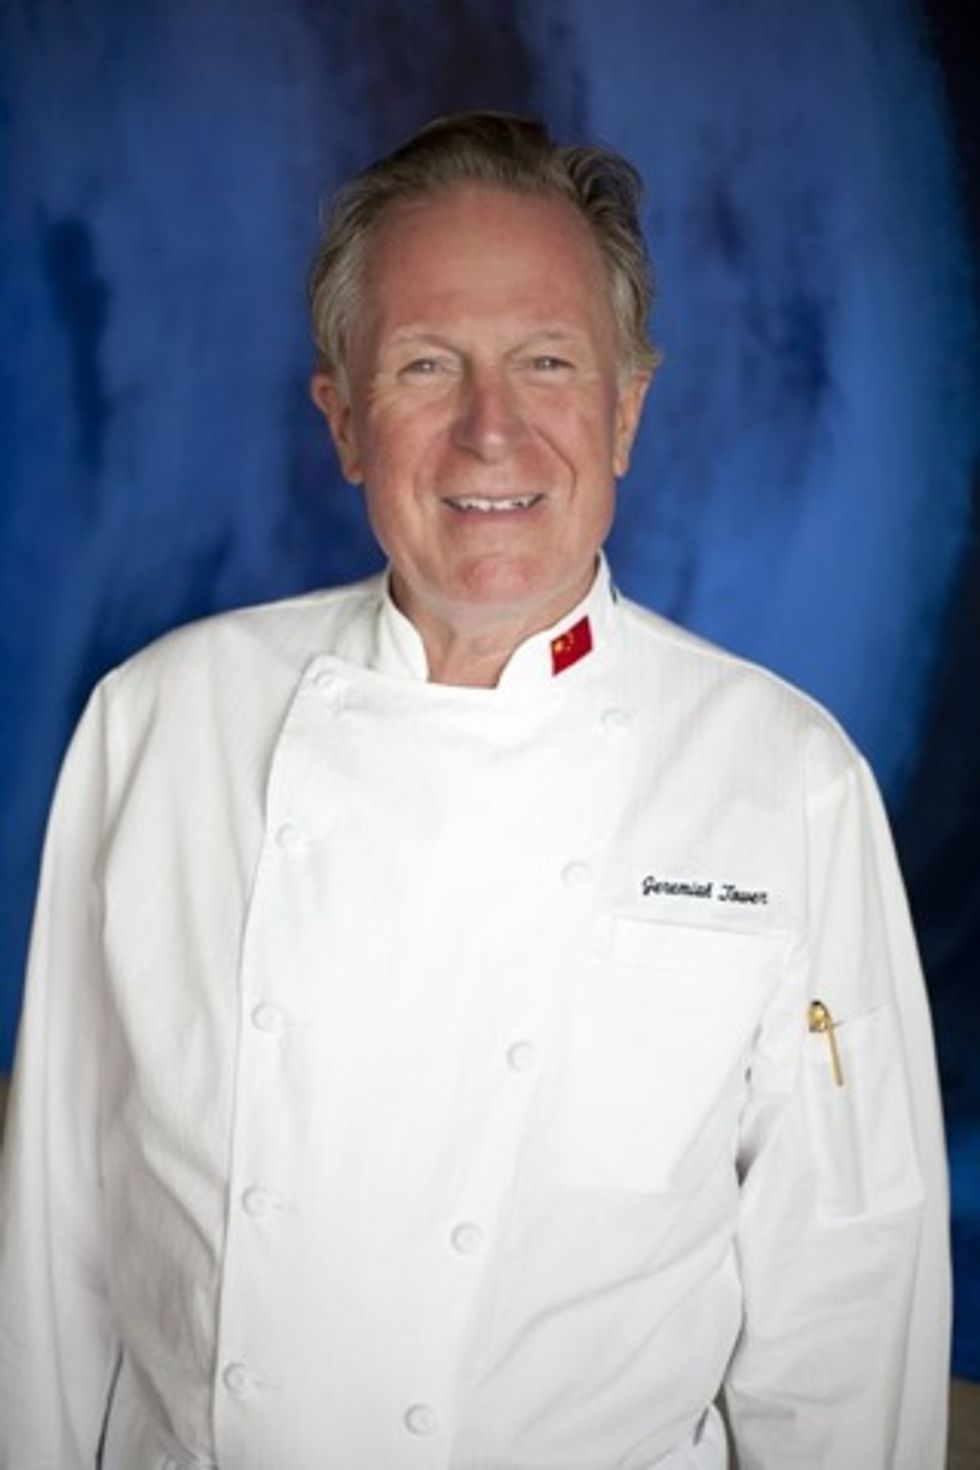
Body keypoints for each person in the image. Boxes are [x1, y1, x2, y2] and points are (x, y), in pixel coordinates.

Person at [0, 111, 950, 1469]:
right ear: (343, 420)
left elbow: (848, 1310)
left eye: (548, 362)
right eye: (425, 365)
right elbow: (56, 1244)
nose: (489, 431)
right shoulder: (159, 722)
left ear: (626, 411)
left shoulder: (785, 780)